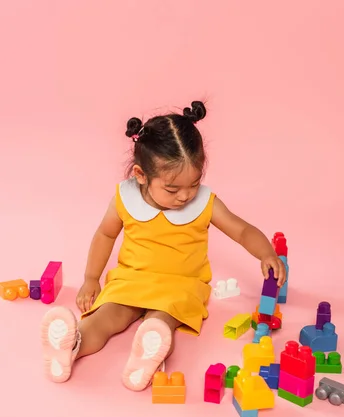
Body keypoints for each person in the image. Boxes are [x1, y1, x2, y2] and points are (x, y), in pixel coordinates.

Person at [41, 101, 286, 391]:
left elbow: (242, 230)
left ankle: (147, 354)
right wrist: (91, 279)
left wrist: (265, 252)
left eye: (193, 184)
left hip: (180, 285)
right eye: (172, 189)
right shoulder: (125, 198)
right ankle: (71, 347)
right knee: (105, 317)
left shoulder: (205, 203)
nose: (185, 196)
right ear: (141, 175)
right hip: (131, 279)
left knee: (161, 322)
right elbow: (105, 235)